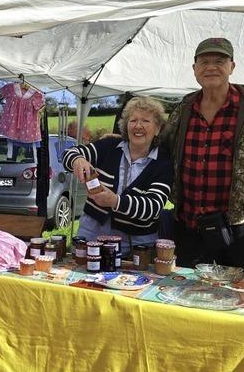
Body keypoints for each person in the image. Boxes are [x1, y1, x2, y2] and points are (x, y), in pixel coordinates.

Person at [160, 37, 244, 275]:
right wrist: (113, 143)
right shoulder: (184, 108)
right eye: (204, 62)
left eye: (219, 61)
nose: (211, 67)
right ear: (194, 69)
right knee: (186, 289)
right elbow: (160, 147)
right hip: (188, 225)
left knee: (238, 292)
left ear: (232, 66)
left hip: (238, 228)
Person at [62, 97, 173, 255]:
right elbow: (68, 154)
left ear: (158, 129)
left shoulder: (163, 163)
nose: (138, 126)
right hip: (92, 234)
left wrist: (115, 201)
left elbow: (152, 207)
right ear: (126, 125)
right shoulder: (109, 146)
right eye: (133, 120)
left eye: (146, 121)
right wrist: (77, 160)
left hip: (136, 245)